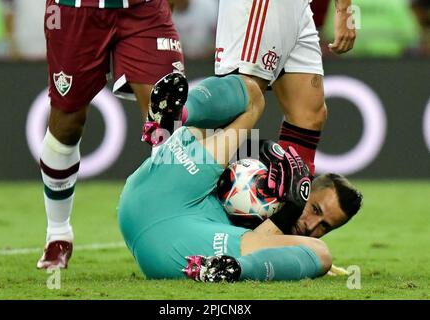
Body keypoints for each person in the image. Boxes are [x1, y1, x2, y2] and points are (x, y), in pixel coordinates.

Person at [118, 72, 362, 282]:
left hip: (167, 238)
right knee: (253, 96)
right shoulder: (270, 181)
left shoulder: (280, 236)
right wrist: (291, 205)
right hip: (165, 205)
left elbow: (272, 247)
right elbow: (261, 241)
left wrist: (292, 258)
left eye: (325, 227)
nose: (311, 225)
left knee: (321, 254)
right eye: (316, 210)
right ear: (306, 189)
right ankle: (176, 115)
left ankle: (227, 269)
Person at [37, 0, 184, 269]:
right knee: (67, 124)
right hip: (75, 9)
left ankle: (175, 235)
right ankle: (58, 234)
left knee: (166, 115)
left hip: (144, 8)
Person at [214, 0, 357, 176]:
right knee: (241, 105)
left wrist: (346, 10)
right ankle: (193, 191)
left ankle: (289, 199)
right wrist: (344, 10)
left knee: (310, 115)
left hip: (298, 6)